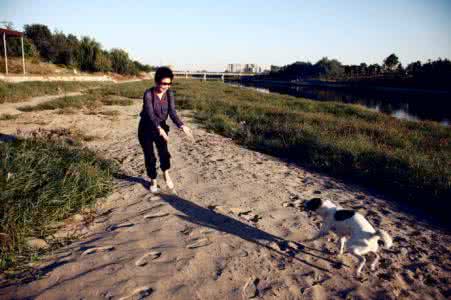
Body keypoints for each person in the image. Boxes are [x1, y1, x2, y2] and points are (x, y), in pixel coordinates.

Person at [138, 67, 193, 193]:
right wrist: (158, 128)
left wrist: (182, 126)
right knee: (150, 155)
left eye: (169, 83)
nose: (166, 86)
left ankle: (166, 173)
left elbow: (172, 113)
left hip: (162, 126)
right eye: (164, 83)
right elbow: (150, 114)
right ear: (157, 81)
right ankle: (153, 180)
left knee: (164, 152)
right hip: (146, 127)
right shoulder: (148, 94)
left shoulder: (169, 94)